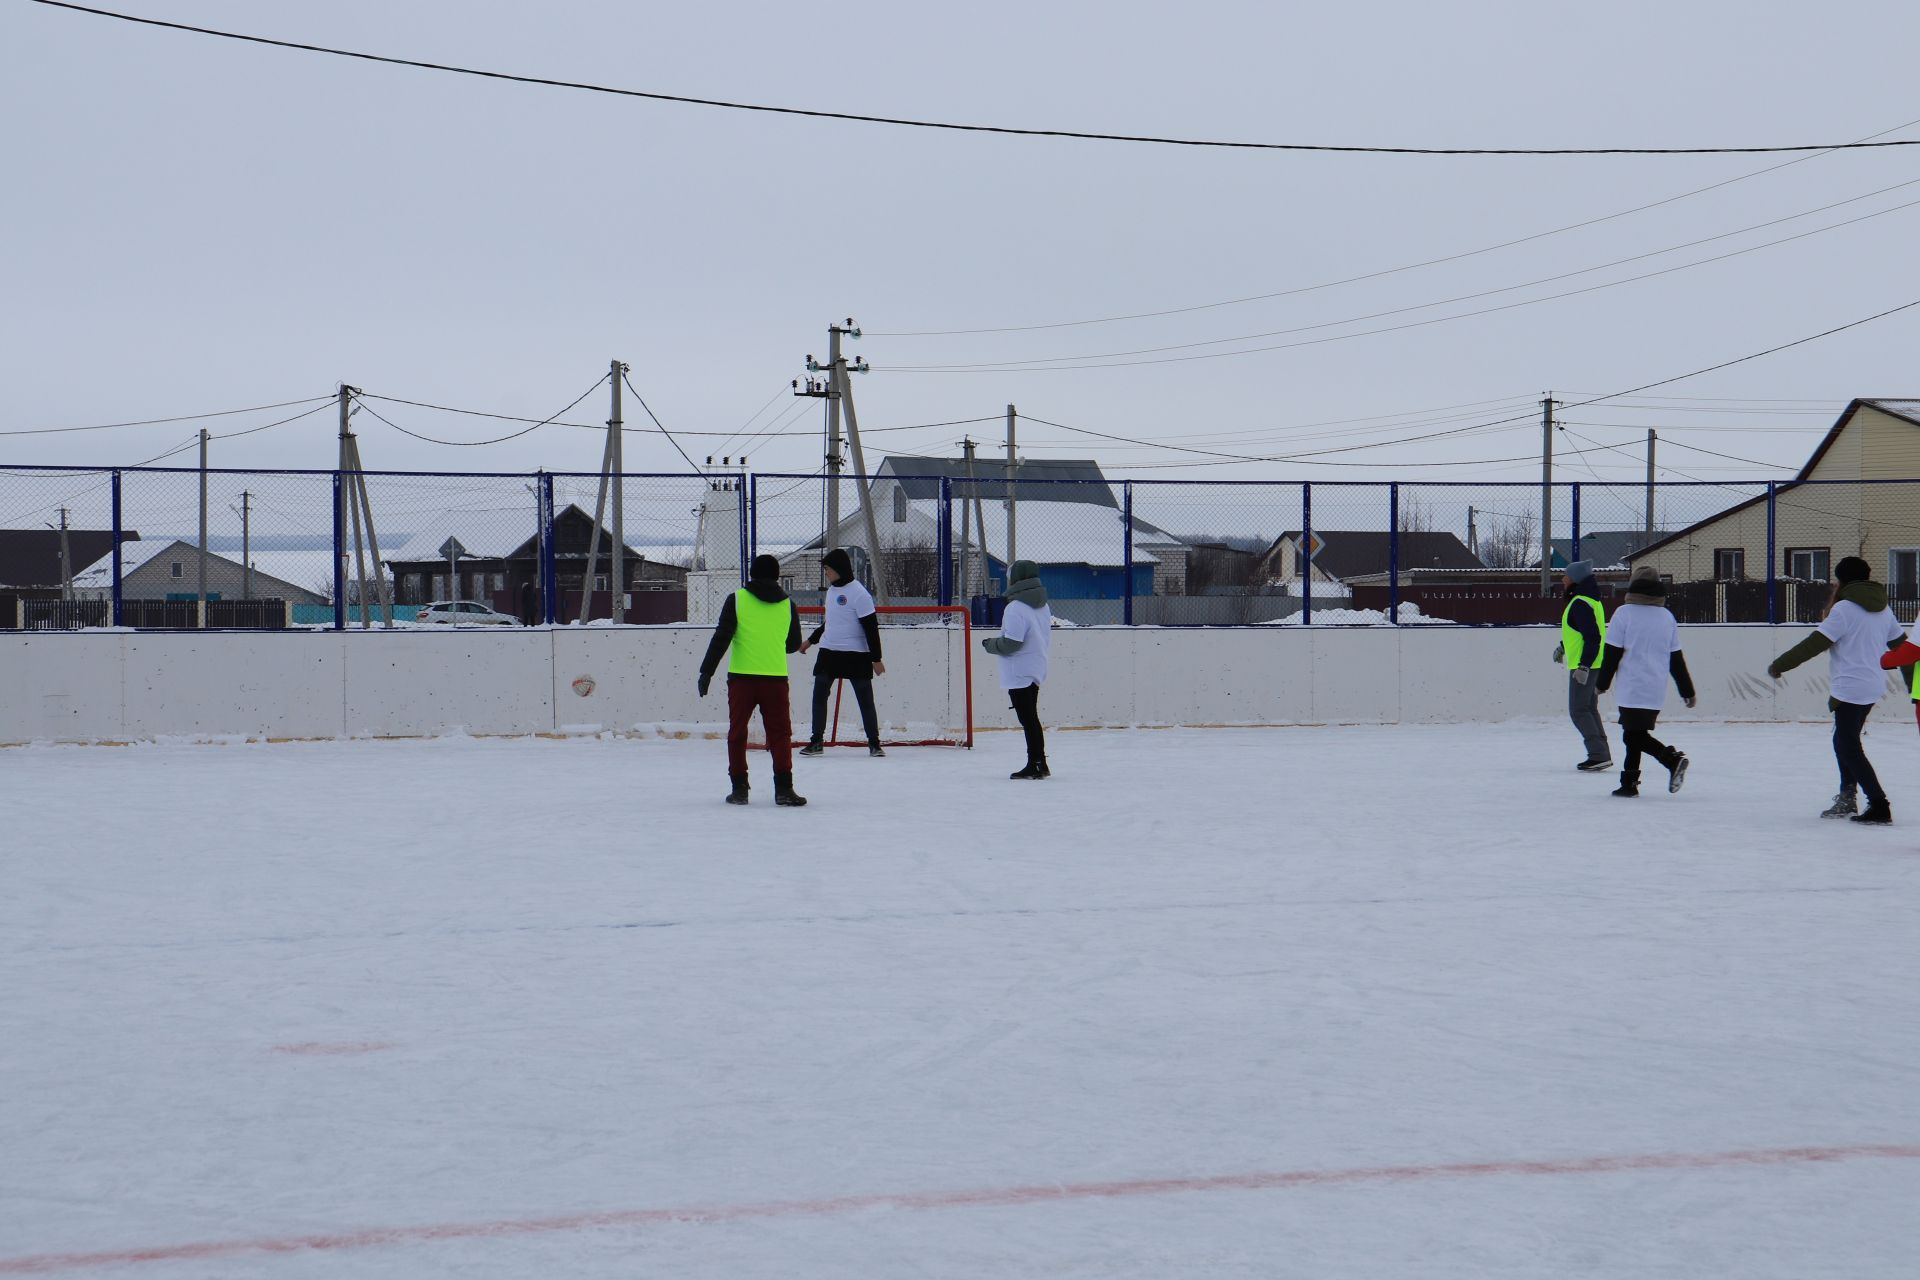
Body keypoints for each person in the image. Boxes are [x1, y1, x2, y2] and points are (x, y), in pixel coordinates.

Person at [1767, 556, 1904, 823]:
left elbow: (1814, 643)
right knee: (1844, 741)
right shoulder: (1884, 610)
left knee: (1847, 745)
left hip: (1851, 687)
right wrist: (1914, 688)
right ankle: (1847, 796)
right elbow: (1902, 647)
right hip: (1873, 685)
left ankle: (1878, 804)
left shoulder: (1844, 609)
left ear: (1841, 580)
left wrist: (1780, 664)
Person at [697, 553, 806, 807]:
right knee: (780, 734)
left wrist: (706, 672)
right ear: (777, 575)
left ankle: (739, 789)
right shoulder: (788, 604)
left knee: (737, 733)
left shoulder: (736, 600)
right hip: (776, 678)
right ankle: (784, 789)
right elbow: (792, 645)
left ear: (752, 574)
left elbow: (721, 638)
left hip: (742, 679)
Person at [1594, 565, 1695, 798]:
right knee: (1635, 732)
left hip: (1632, 685)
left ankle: (1672, 759)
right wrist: (1687, 690)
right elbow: (1676, 659)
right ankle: (1629, 784)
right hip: (1655, 688)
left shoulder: (1624, 614)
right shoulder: (1666, 617)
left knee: (1632, 735)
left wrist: (1602, 683)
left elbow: (1612, 653)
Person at [798, 548, 886, 757]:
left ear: (839, 569)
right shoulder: (831, 592)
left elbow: (870, 628)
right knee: (819, 694)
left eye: (828, 569)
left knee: (865, 699)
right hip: (829, 652)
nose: (826, 573)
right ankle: (817, 741)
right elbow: (831, 623)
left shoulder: (859, 594)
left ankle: (874, 744)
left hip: (856, 654)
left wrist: (876, 658)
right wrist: (810, 641)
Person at [980, 559, 1053, 779]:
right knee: (1031, 717)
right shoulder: (1042, 604)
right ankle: (1040, 762)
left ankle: (1036, 764)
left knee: (1028, 719)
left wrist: (989, 644)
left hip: (1019, 669)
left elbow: (1011, 643)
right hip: (1035, 666)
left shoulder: (1015, 608)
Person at [1553, 559, 1611, 772]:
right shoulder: (1590, 600)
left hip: (1584, 666)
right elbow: (1580, 632)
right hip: (1594, 663)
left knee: (1578, 710)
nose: (1562, 579)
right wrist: (1563, 646)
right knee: (1588, 709)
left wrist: (1583, 666)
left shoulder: (1579, 603)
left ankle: (1598, 755)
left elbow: (1592, 636)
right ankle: (1601, 754)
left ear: (1575, 579)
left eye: (1566, 575)